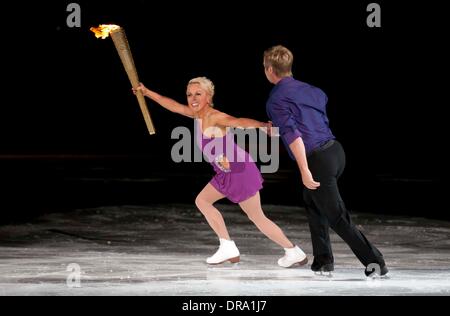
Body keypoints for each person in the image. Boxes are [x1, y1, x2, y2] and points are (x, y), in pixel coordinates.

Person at [133, 77, 308, 267]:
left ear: (208, 97)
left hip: (239, 171)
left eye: (198, 94)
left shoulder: (213, 116)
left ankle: (291, 251)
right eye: (189, 94)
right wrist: (147, 92)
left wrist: (263, 126)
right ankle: (230, 246)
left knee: (256, 216)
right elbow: (174, 106)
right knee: (203, 201)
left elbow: (237, 121)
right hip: (226, 172)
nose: (192, 98)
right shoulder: (197, 115)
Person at [263, 45, 388, 277]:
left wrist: (304, 170)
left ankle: (375, 262)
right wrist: (279, 130)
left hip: (317, 159)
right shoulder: (314, 91)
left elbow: (295, 136)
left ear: (270, 70)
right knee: (313, 202)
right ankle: (323, 260)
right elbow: (307, 124)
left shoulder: (276, 100)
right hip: (336, 152)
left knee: (337, 217)